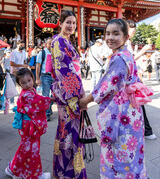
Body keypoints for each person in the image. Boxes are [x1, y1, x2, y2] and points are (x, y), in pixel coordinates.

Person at [79, 18, 152, 179]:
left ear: (126, 37)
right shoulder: (126, 54)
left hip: (121, 114)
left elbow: (105, 86)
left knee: (120, 151)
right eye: (107, 33)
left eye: (116, 33)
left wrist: (85, 101)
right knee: (133, 151)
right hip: (133, 112)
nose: (110, 37)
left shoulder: (119, 58)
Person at [51, 10, 87, 179]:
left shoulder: (66, 41)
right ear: (60, 22)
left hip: (69, 92)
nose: (71, 26)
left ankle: (65, 171)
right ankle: (69, 173)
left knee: (68, 132)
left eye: (74, 23)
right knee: (69, 132)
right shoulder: (58, 41)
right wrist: (79, 95)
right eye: (68, 22)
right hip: (69, 95)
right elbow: (65, 71)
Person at [5, 68, 51, 179]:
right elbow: (39, 101)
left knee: (25, 148)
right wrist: (51, 99)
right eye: (23, 83)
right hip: (29, 126)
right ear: (19, 84)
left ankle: (13, 169)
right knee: (32, 150)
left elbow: (37, 100)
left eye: (29, 80)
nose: (27, 84)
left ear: (33, 78)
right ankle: (36, 174)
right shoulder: (27, 95)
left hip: (28, 125)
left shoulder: (30, 91)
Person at [127, 20, 156, 140]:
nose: (134, 30)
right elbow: (130, 59)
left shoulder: (127, 41)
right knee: (137, 102)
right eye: (132, 27)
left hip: (131, 77)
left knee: (135, 103)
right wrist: (143, 50)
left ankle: (143, 129)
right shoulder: (125, 41)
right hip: (130, 78)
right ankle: (146, 130)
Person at [36, 38, 54, 121]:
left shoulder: (55, 52)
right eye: (49, 43)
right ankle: (47, 114)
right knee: (46, 95)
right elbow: (38, 66)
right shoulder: (42, 53)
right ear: (46, 44)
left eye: (52, 43)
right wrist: (37, 78)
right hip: (45, 76)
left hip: (54, 77)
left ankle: (49, 108)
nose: (51, 45)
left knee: (55, 95)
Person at [10, 40, 27, 107]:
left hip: (21, 72)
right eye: (20, 44)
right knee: (12, 88)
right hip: (14, 72)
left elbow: (25, 61)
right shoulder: (13, 52)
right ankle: (11, 103)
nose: (21, 46)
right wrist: (22, 65)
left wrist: (25, 65)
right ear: (17, 44)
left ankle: (22, 102)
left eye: (22, 45)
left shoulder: (24, 52)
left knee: (23, 87)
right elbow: (11, 63)